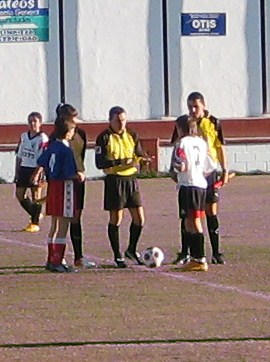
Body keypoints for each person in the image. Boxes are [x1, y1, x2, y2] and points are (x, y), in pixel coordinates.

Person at [171, 92, 229, 265]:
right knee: (189, 216)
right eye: (190, 107)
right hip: (196, 176)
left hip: (206, 174)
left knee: (209, 212)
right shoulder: (184, 123)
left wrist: (225, 170)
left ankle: (215, 253)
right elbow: (175, 144)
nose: (193, 110)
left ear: (204, 105)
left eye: (196, 106)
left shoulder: (213, 123)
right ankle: (185, 252)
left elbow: (220, 147)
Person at [95, 106, 150, 268]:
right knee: (116, 218)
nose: (122, 124)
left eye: (124, 120)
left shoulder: (131, 134)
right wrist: (121, 162)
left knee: (139, 218)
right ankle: (117, 255)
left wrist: (144, 159)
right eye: (118, 121)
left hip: (131, 179)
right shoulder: (104, 138)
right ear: (110, 120)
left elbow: (138, 154)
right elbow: (100, 163)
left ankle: (131, 249)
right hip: (115, 180)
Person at [35, 117, 85, 272]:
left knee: (54, 225)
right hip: (65, 187)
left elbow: (41, 160)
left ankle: (50, 259)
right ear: (68, 132)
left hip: (53, 187)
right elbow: (68, 173)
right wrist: (79, 176)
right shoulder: (66, 149)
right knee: (63, 225)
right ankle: (58, 261)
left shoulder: (52, 146)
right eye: (72, 130)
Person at [170, 117, 216, 271]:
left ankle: (199, 258)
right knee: (191, 221)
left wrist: (174, 170)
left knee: (192, 222)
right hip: (201, 186)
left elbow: (181, 165)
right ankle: (195, 257)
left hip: (188, 186)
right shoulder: (202, 143)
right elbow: (210, 166)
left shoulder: (181, 143)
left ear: (180, 128)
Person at [54, 103, 96, 269]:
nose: (75, 121)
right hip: (64, 182)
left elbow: (80, 156)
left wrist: (80, 171)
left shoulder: (81, 134)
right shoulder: (56, 138)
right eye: (71, 118)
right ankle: (57, 257)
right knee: (61, 220)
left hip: (78, 181)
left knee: (77, 217)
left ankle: (79, 257)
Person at [14, 111, 48, 232]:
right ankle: (36, 213)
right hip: (24, 168)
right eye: (30, 121)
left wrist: (37, 173)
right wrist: (17, 171)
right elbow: (19, 155)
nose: (33, 123)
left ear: (40, 123)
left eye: (35, 121)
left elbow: (43, 157)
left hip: (36, 168)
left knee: (36, 197)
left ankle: (35, 223)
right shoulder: (23, 136)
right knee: (19, 194)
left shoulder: (42, 138)